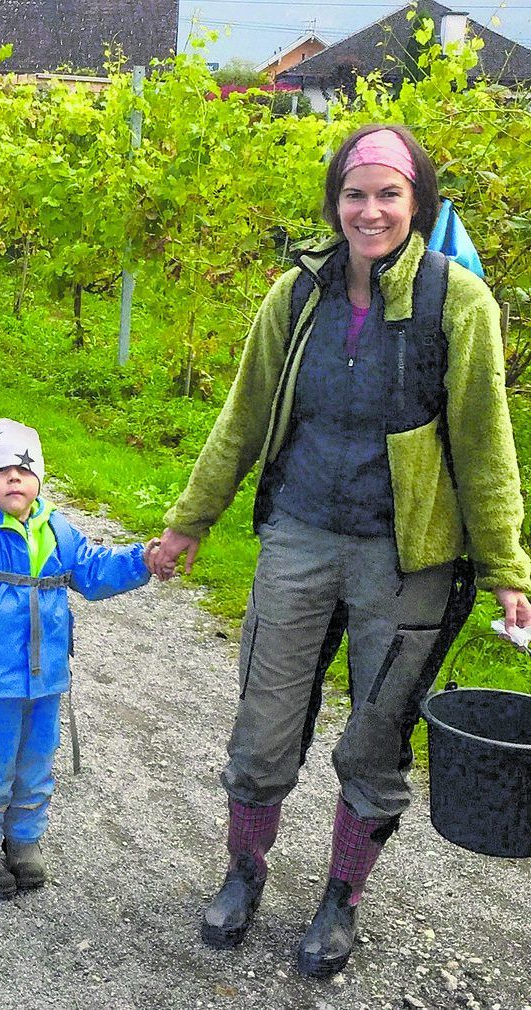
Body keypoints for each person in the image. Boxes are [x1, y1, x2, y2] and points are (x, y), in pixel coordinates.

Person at [151, 125, 531, 979]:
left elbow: (484, 443)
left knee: (375, 738)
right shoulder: (295, 297)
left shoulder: (459, 303)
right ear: (334, 204)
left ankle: (340, 901)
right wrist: (189, 520)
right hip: (300, 534)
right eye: (355, 194)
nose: (370, 210)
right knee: (262, 725)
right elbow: (242, 419)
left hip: (408, 559)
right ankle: (243, 874)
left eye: (389, 194)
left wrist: (507, 566)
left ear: (417, 205)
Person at [0, 419, 159, 899]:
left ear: (39, 478)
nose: (15, 478)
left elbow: (94, 572)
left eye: (24, 469)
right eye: (1, 470)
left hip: (46, 678)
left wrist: (143, 560)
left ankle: (23, 843)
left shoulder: (56, 527)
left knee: (35, 767)